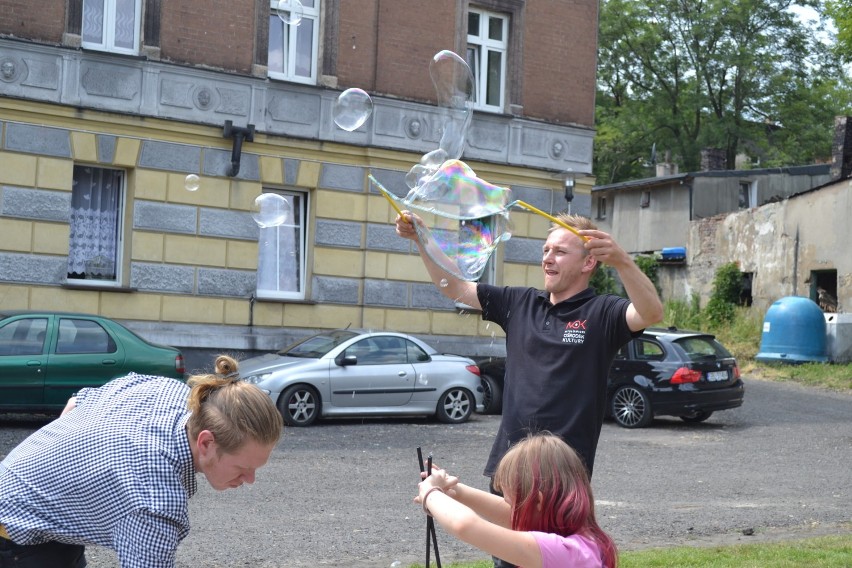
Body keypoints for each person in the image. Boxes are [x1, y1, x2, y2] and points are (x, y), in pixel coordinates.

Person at [397, 210, 662, 567]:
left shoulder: (603, 313)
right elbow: (457, 288)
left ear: (589, 263)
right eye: (546, 249)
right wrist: (421, 240)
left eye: (560, 251)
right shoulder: (520, 303)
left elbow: (650, 312)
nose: (548, 258)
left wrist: (623, 262)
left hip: (558, 479)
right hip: (509, 470)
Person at [0, 355, 283, 568]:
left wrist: (66, 475)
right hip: (14, 535)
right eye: (243, 468)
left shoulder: (172, 391)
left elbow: (77, 402)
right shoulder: (154, 500)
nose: (250, 480)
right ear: (206, 442)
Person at [415, 432, 617, 568]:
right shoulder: (586, 543)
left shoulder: (563, 553)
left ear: (538, 501)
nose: (509, 511)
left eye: (512, 503)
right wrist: (456, 491)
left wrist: (430, 493)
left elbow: (465, 525)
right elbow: (509, 515)